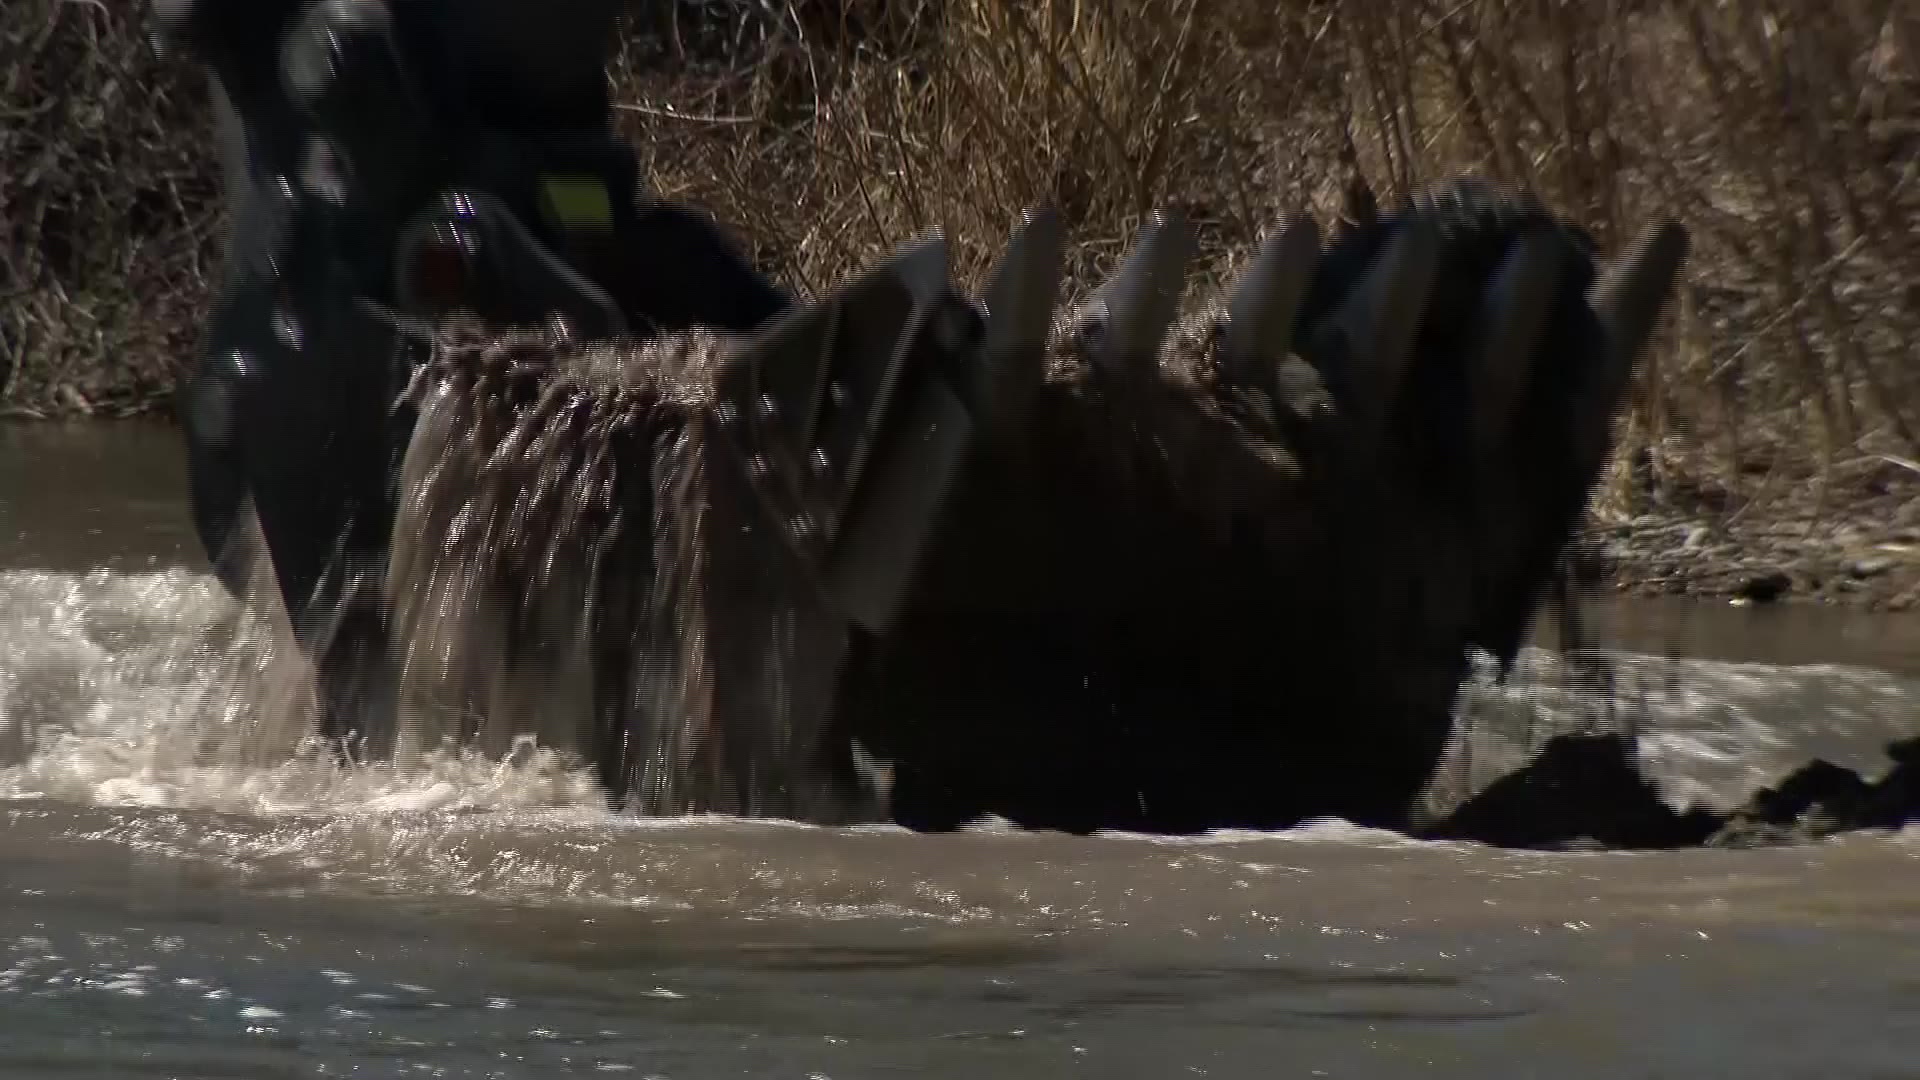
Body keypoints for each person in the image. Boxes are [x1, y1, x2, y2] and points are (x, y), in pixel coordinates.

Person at [155, 0, 791, 751]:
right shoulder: (325, 72)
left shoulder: (546, 136)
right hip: (355, 364)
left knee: (674, 265)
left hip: (535, 250)